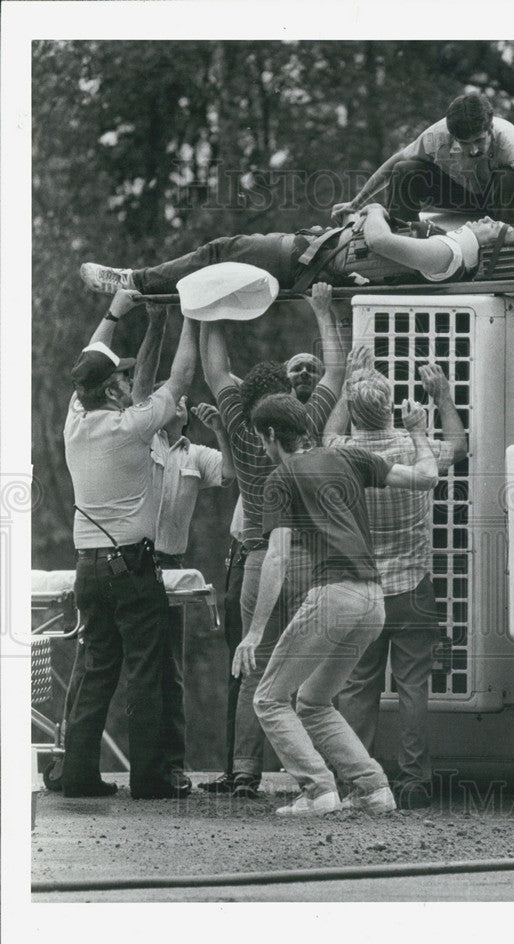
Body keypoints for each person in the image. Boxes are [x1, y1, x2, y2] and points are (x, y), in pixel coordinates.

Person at [232, 392, 439, 817]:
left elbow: (277, 556)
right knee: (313, 700)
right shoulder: (350, 457)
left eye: (262, 440)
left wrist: (254, 632)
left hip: (334, 597)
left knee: (269, 699)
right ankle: (373, 787)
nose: (264, 450)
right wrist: (418, 433)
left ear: (272, 435)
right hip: (374, 600)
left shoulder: (281, 479)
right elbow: (426, 477)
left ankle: (318, 790)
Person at [197, 283, 345, 797]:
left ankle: (243, 770)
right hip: (311, 557)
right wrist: (324, 312)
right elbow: (336, 373)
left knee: (251, 662)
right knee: (312, 668)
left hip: (260, 556)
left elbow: (216, 373)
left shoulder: (241, 431)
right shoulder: (310, 423)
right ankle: (327, 767)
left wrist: (207, 311)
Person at [61, 289, 197, 798]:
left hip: (87, 569)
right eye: (122, 377)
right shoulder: (131, 427)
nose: (128, 381)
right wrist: (194, 318)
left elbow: (89, 362)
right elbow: (180, 379)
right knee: (144, 672)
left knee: (94, 670)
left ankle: (77, 775)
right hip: (131, 566)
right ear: (113, 391)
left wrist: (115, 312)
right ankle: (150, 780)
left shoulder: (77, 420)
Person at [323, 354, 468, 809]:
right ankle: (413, 781)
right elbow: (460, 447)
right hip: (413, 588)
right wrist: (441, 396)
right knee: (412, 687)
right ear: (390, 407)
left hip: (363, 589)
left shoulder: (341, 455)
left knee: (357, 686)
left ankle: (359, 780)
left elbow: (326, 433)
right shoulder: (412, 448)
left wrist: (347, 384)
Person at [129, 302, 236, 793]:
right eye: (172, 397)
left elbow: (232, 475)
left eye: (184, 401)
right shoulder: (142, 442)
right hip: (132, 563)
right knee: (128, 664)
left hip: (170, 567)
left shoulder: (198, 454)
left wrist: (222, 433)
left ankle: (170, 767)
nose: (180, 401)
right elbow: (153, 380)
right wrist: (176, 318)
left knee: (169, 668)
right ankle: (136, 769)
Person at [79, 209, 514, 299]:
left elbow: (376, 242)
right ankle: (140, 284)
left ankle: (134, 280)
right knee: (219, 270)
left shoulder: (444, 254)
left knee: (221, 251)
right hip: (312, 257)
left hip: (303, 257)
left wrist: (371, 211)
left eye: (494, 226)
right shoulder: (446, 248)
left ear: (486, 244)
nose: (485, 221)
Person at [330, 92, 514, 260]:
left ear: (490, 129)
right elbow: (393, 165)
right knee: (406, 170)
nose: (473, 151)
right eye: (465, 143)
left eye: (479, 141)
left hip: (500, 199)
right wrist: (356, 203)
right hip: (464, 196)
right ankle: (403, 248)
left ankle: (507, 254)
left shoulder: (508, 140)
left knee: (507, 177)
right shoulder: (438, 136)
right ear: (453, 136)